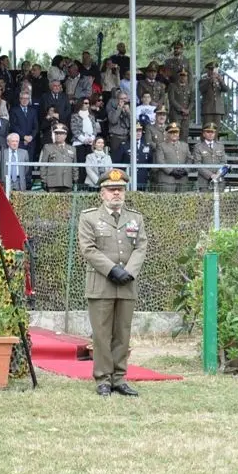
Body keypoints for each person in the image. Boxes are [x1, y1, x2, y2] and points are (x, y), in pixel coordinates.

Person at [78, 169, 147, 397]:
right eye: (111, 190)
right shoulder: (89, 217)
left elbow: (141, 247)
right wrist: (112, 270)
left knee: (122, 333)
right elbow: (88, 248)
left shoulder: (135, 218)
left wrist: (129, 271)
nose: (116, 193)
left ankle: (120, 378)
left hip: (127, 283)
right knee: (101, 334)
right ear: (102, 193)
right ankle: (103, 379)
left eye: (119, 190)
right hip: (101, 284)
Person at [40, 124, 77, 192]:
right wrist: (43, 180)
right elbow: (43, 165)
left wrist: (75, 180)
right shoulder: (48, 147)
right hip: (52, 183)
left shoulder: (72, 149)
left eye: (61, 134)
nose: (58, 135)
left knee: (66, 202)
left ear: (65, 135)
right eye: (56, 133)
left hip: (67, 182)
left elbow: (75, 166)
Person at [156, 123, 191, 192]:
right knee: (167, 202)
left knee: (184, 202)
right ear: (167, 133)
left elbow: (189, 159)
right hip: (167, 180)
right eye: (172, 132)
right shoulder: (161, 146)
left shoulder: (185, 145)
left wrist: (185, 170)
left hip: (182, 180)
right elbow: (160, 161)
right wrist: (171, 171)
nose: (175, 134)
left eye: (176, 132)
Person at [193, 122, 228, 192]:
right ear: (203, 134)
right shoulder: (198, 147)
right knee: (205, 202)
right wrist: (211, 175)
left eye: (212, 132)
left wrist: (218, 174)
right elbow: (197, 164)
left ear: (215, 134)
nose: (210, 134)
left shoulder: (220, 146)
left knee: (219, 202)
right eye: (208, 132)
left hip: (219, 180)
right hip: (204, 182)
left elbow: (224, 162)